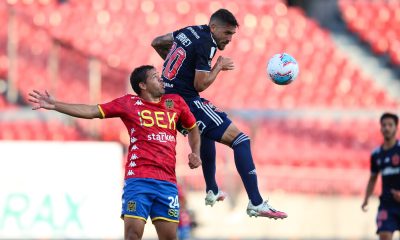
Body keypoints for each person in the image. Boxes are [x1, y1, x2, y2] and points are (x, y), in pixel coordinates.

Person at [28, 65, 202, 240]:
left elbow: (193, 128)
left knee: (170, 238)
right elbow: (92, 111)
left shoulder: (175, 102)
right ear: (142, 85)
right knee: (132, 234)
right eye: (156, 77)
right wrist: (55, 104)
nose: (161, 79)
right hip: (139, 178)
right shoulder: (128, 103)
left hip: (167, 181)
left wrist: (196, 152)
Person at [151, 9, 287, 219]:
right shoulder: (207, 43)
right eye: (227, 33)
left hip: (169, 101)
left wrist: (177, 72)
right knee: (241, 140)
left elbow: (158, 42)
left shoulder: (190, 31)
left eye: (232, 34)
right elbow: (200, 84)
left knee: (207, 134)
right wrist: (218, 66)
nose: (229, 39)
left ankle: (212, 190)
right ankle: (256, 203)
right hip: (186, 101)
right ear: (213, 27)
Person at [362, 112, 400, 240]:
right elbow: (373, 178)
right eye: (384, 125)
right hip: (387, 204)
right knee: (384, 234)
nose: (387, 128)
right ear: (380, 128)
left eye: (390, 125)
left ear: (396, 127)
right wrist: (366, 199)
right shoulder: (376, 154)